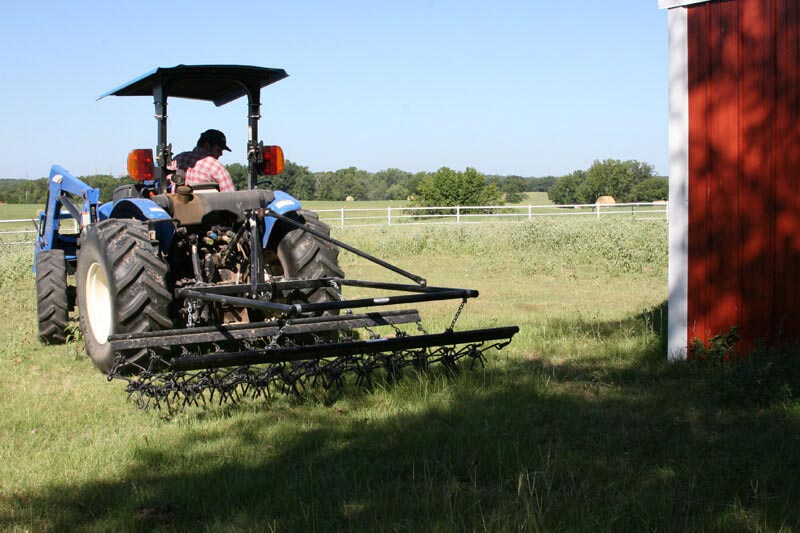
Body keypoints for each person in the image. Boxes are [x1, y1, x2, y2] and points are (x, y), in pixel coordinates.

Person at [170, 129, 235, 192]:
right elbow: (231, 197)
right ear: (207, 146)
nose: (221, 154)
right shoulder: (216, 167)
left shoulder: (178, 159)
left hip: (176, 202)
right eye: (218, 150)